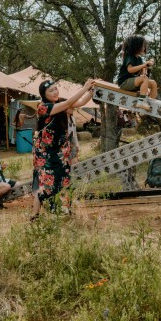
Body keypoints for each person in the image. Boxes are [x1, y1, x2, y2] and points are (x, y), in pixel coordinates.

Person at [32, 78, 94, 219]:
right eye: (51, 90)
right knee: (47, 182)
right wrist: (84, 87)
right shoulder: (43, 107)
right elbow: (68, 104)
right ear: (44, 94)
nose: (55, 92)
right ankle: (35, 215)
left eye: (56, 89)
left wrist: (92, 91)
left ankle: (63, 211)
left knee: (64, 180)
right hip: (45, 153)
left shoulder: (59, 102)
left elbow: (80, 103)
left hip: (60, 151)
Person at [117, 34, 157, 111]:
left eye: (144, 46)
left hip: (133, 82)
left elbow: (143, 74)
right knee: (144, 79)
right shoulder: (129, 57)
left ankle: (151, 102)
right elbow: (130, 70)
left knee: (153, 83)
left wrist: (146, 67)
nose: (144, 48)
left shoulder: (139, 59)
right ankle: (141, 101)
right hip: (124, 83)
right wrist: (143, 66)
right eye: (142, 46)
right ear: (136, 46)